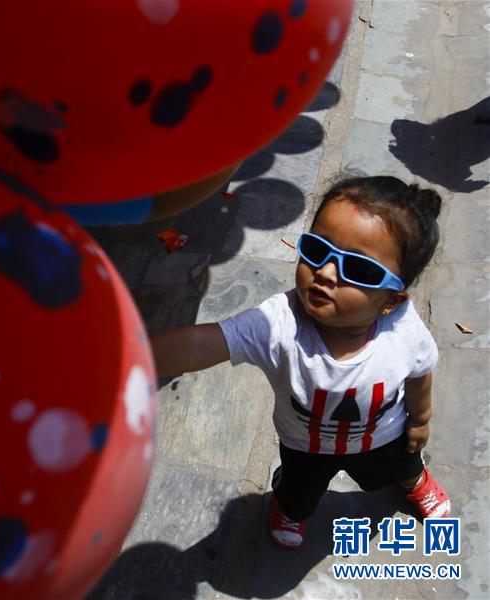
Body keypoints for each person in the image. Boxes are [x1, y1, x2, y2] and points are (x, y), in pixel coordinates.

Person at [151, 175, 451, 549]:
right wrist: (133, 359)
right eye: (316, 249)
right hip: (305, 447)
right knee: (298, 488)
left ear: (392, 301)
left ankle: (414, 482)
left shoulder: (403, 328)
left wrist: (420, 420)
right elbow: (201, 345)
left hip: (386, 438)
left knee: (402, 466)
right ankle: (291, 509)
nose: (325, 272)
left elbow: (420, 372)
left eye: (358, 270)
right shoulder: (278, 323)